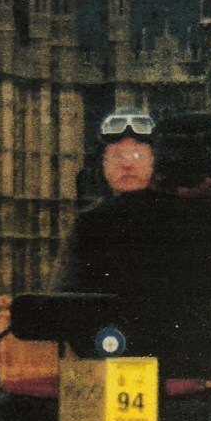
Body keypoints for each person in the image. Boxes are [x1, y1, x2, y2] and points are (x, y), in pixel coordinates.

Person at [50, 106, 157, 292]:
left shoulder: (179, 216)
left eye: (138, 154)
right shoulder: (87, 225)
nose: (127, 164)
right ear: (102, 166)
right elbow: (64, 294)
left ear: (156, 162)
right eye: (116, 156)